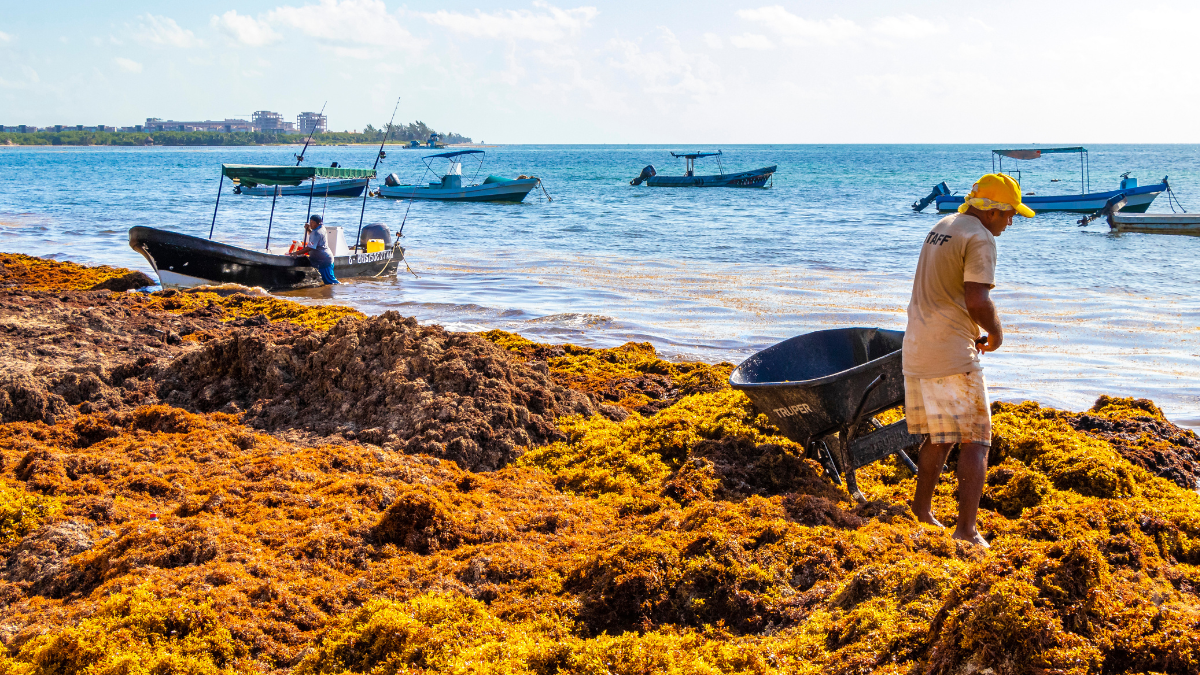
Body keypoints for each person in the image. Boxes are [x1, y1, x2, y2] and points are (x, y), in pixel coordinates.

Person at [904, 173, 1034, 547]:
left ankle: (922, 511)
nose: (1011, 222)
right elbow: (977, 300)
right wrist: (996, 333)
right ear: (992, 210)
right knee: (976, 439)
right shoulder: (980, 237)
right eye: (1010, 214)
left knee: (941, 436)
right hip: (952, 352)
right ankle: (967, 530)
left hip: (917, 346)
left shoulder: (943, 225)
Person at [298, 214, 339, 285]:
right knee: (328, 282)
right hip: (323, 259)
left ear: (318, 223)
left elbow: (310, 247)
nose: (310, 224)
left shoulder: (317, 232)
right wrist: (308, 229)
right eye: (310, 222)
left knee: (331, 282)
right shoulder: (321, 228)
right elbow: (314, 237)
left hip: (324, 261)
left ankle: (340, 291)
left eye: (312, 222)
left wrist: (296, 253)